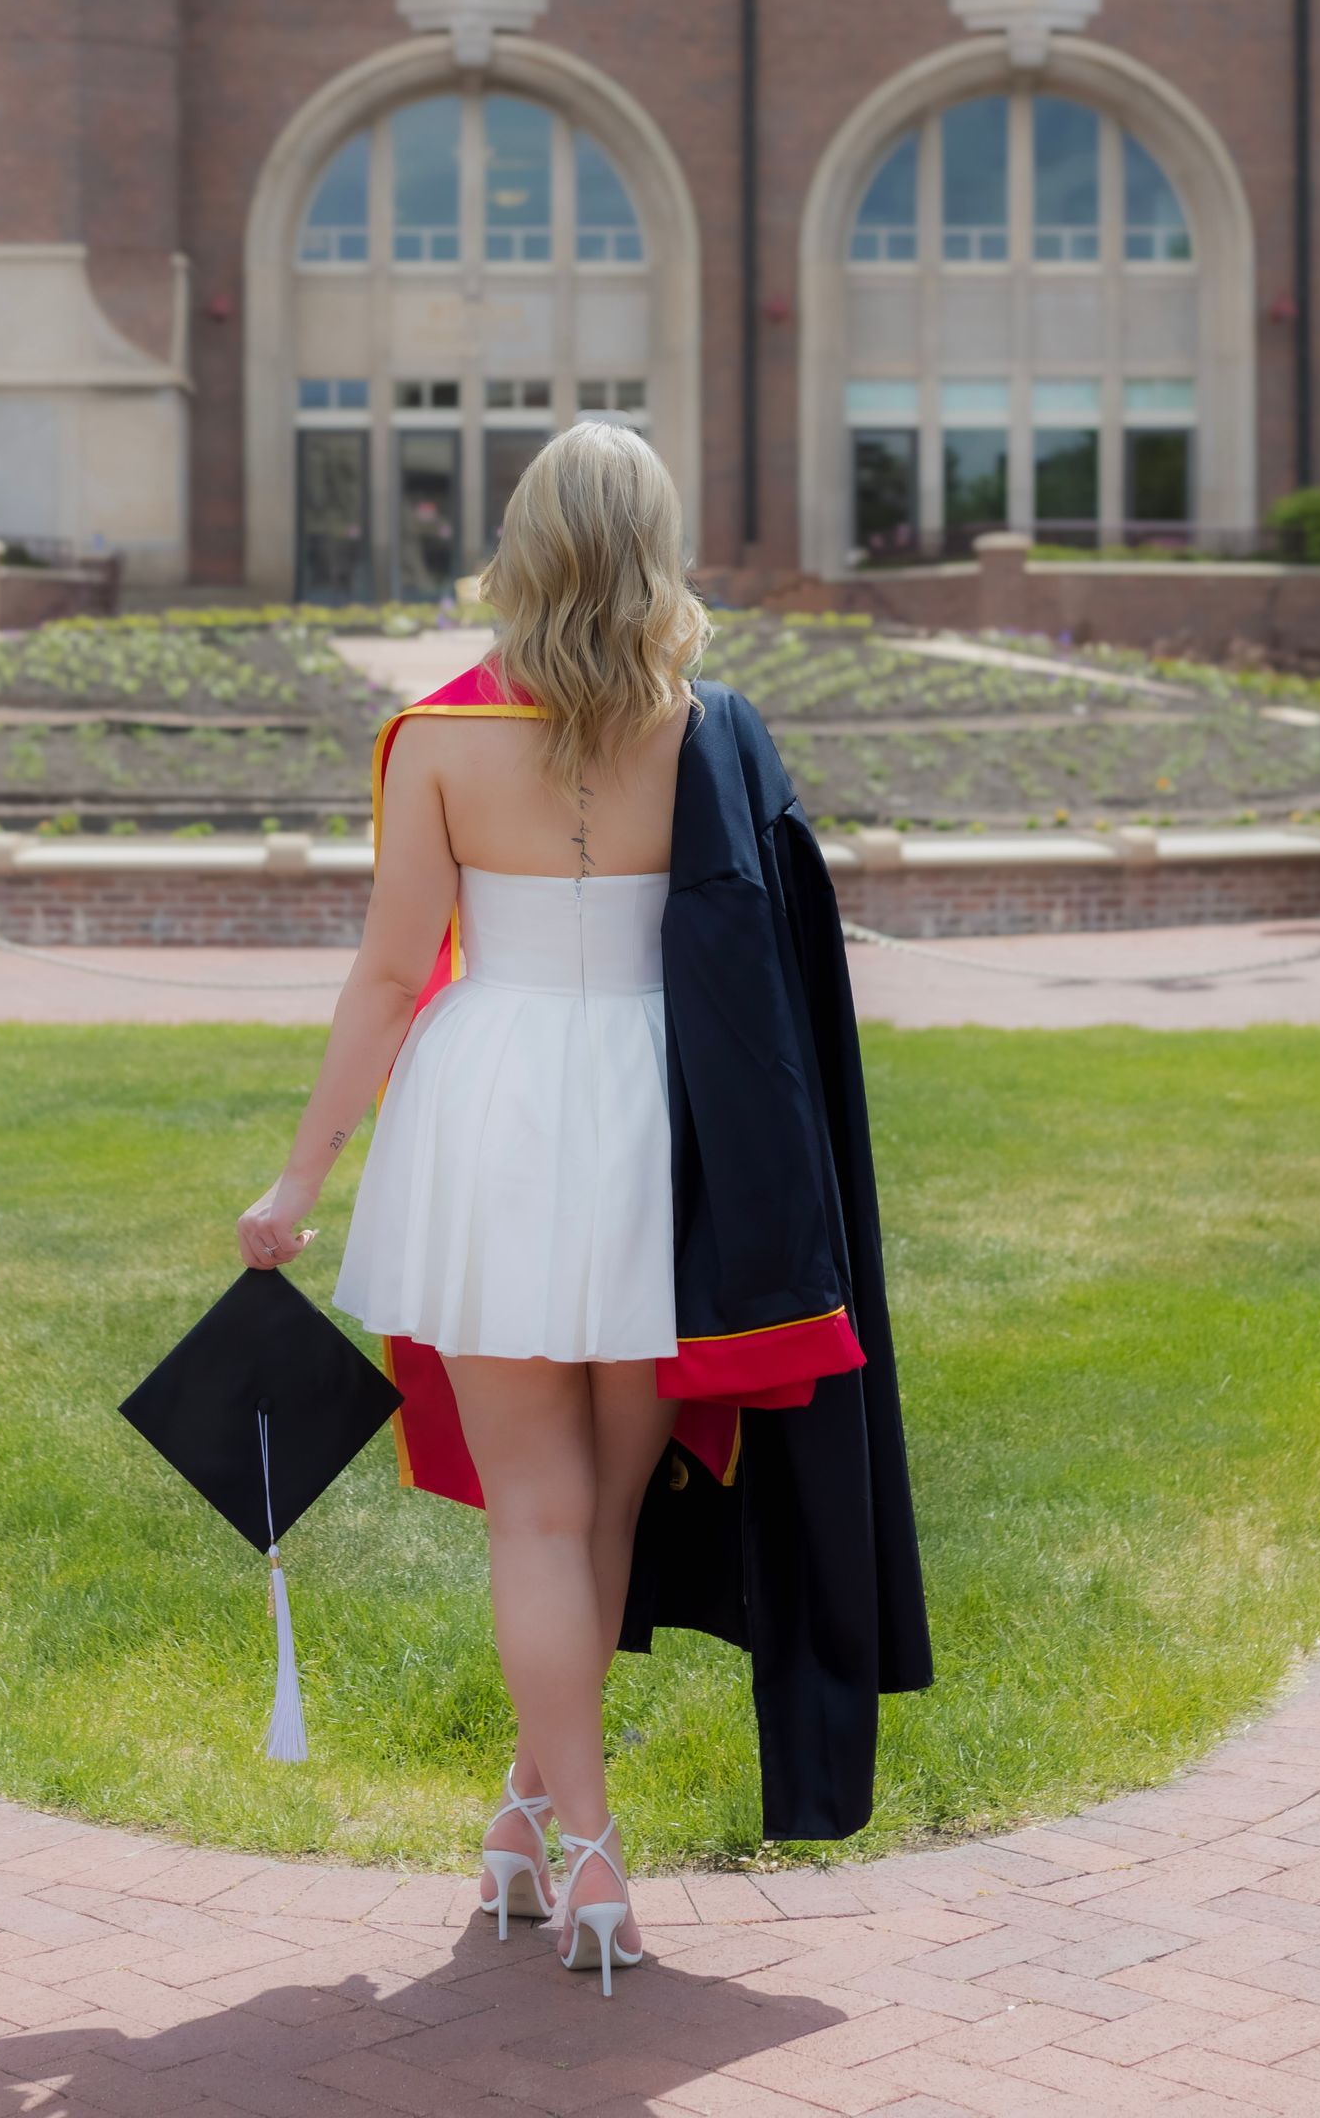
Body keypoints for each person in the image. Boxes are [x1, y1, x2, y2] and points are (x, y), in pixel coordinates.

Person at [238, 423, 929, 1994]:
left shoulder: (435, 739)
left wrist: (300, 1176)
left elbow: (393, 976)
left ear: (523, 542)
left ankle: (571, 1839)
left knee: (546, 1515)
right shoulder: (703, 729)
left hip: (493, 1114)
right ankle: (547, 1832)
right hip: (659, 1121)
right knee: (606, 1507)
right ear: (655, 546)